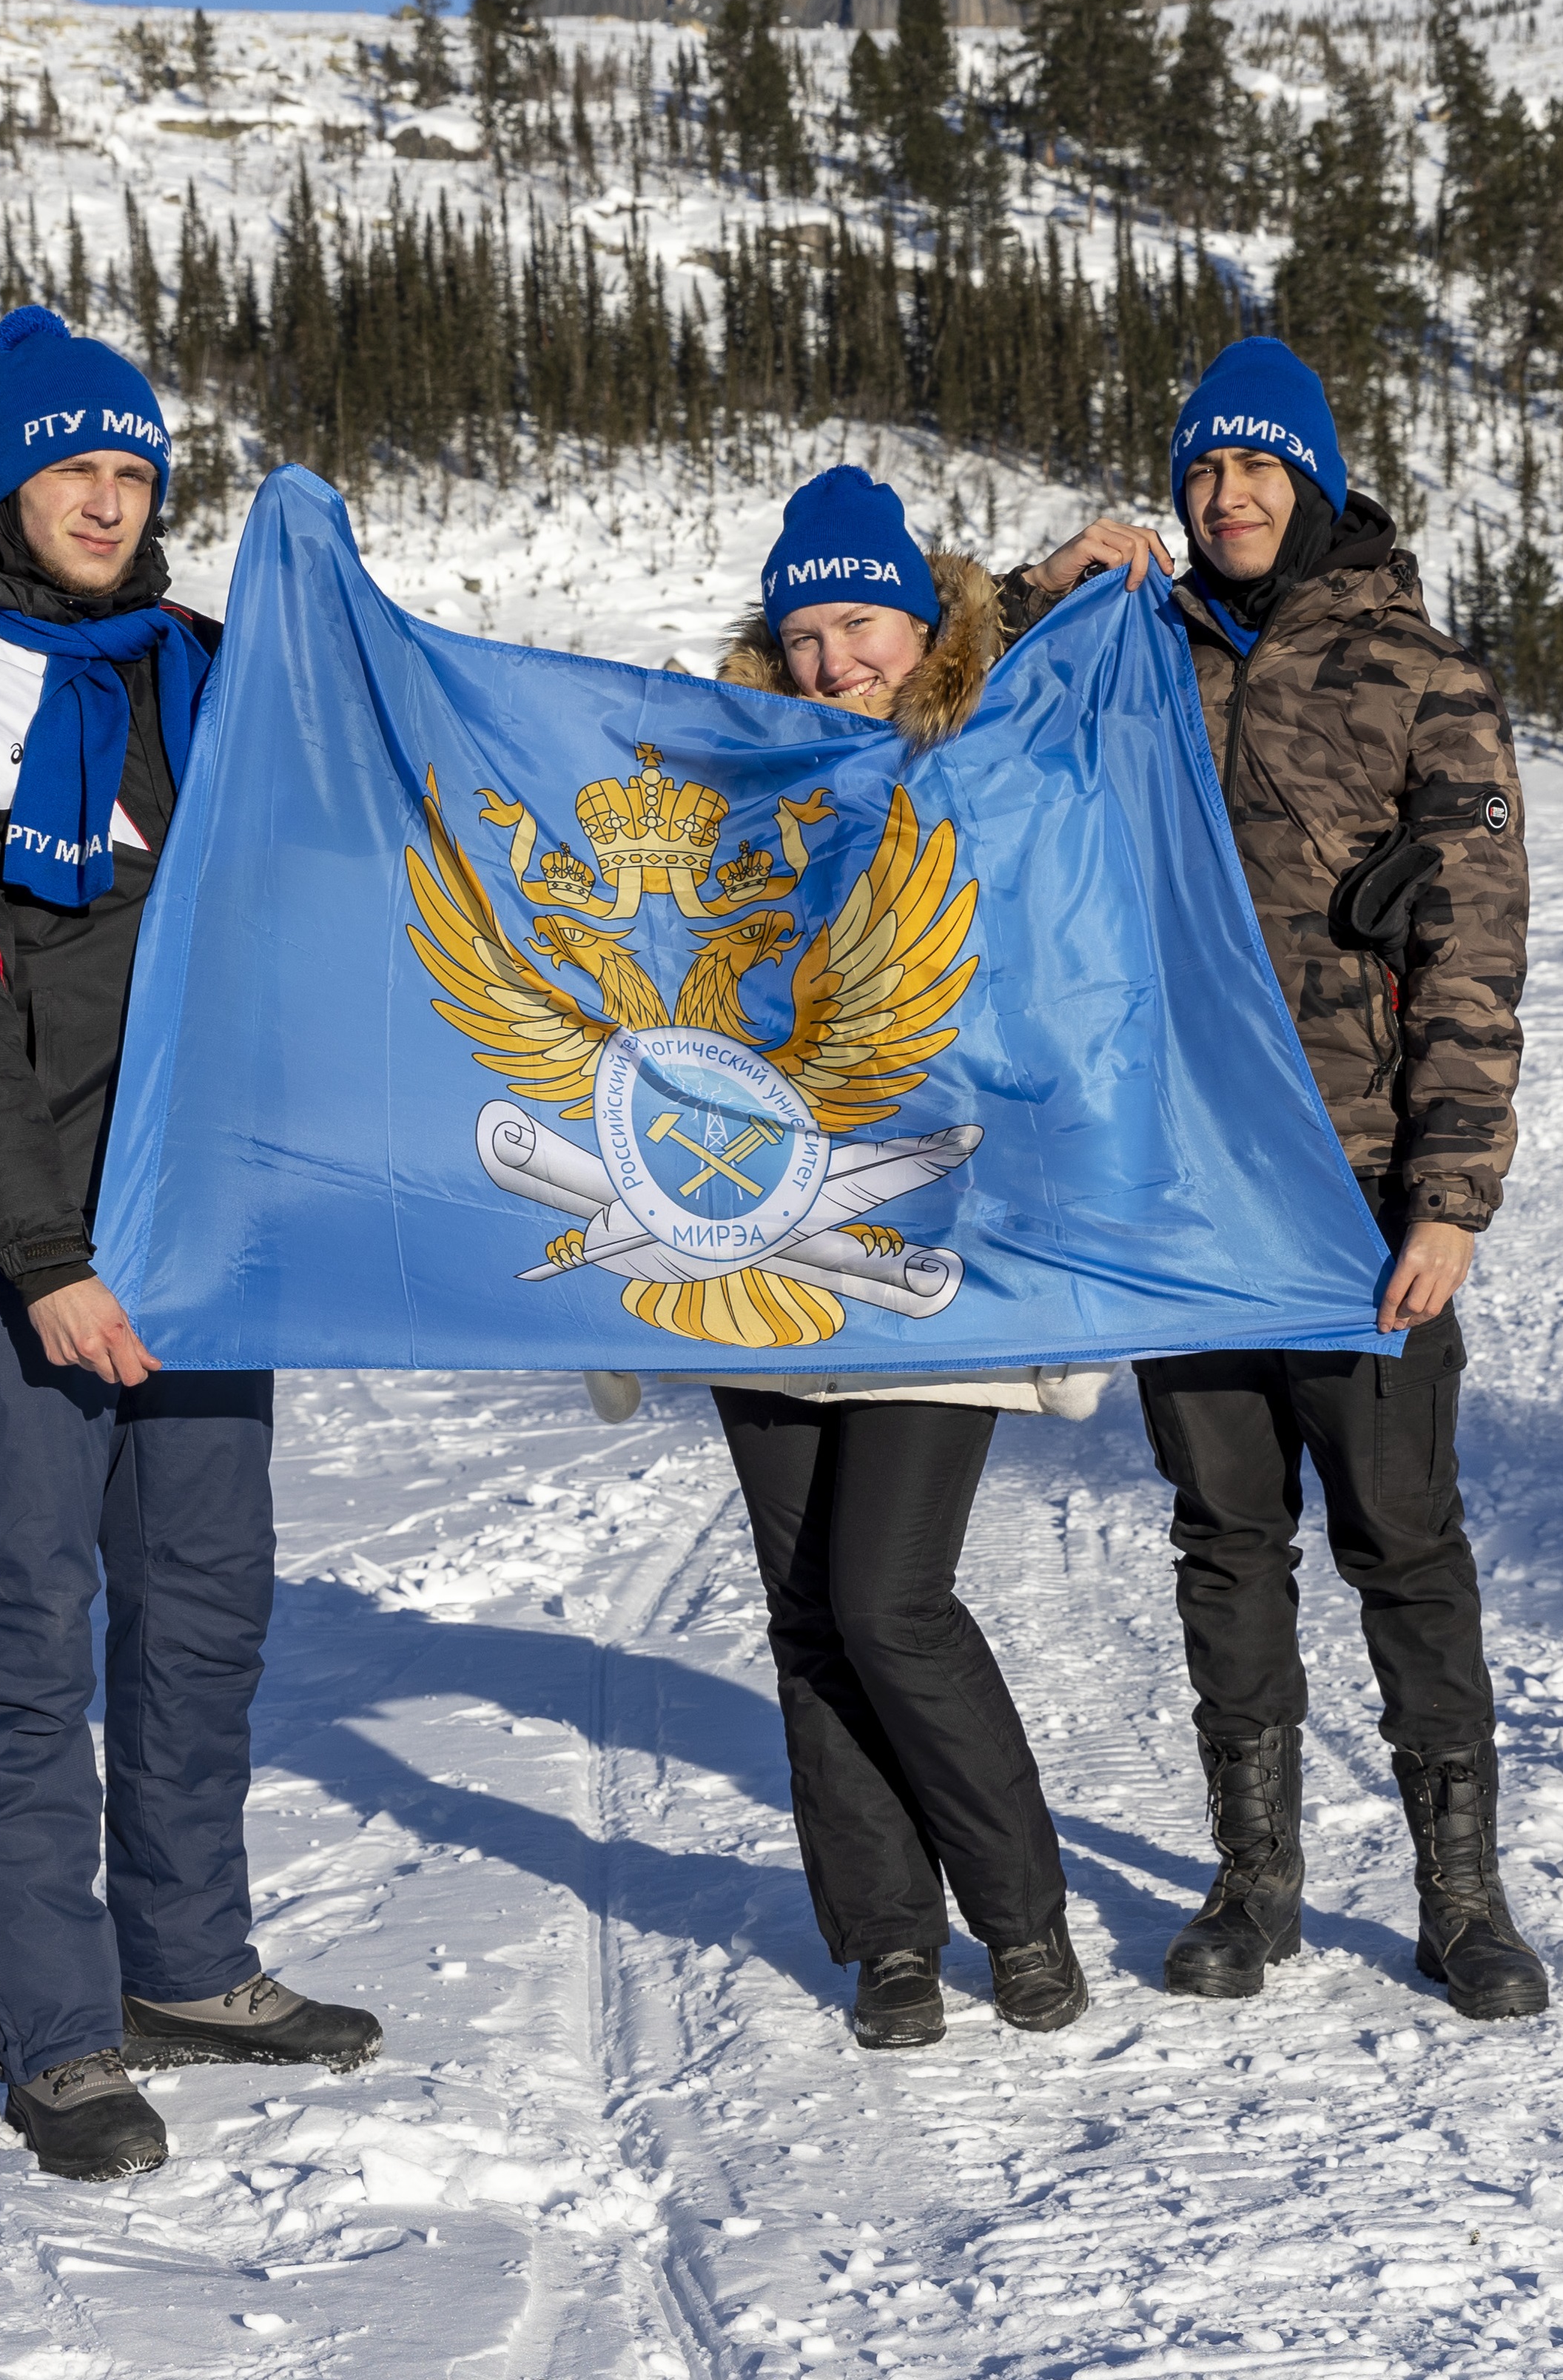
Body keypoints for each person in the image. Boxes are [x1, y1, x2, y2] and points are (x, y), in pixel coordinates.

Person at [0, 308, 381, 2182]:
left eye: (133, 474)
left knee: (207, 1617)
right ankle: (59, 2035)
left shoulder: (210, 673)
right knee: (18, 1636)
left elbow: (401, 800)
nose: (105, 499)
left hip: (207, 1237)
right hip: (17, 1264)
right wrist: (44, 1257)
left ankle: (188, 1967)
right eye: (73, 466)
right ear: (3, 481)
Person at [1005, 339, 1549, 2023]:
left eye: (1256, 472)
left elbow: (1475, 943)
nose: (1226, 498)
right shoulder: (1122, 656)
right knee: (1223, 1539)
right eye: (1199, 474)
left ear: (1308, 483)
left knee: (1401, 1539)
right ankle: (1252, 1882)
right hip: (1180, 1187)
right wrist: (1038, 590)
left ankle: (1460, 1897)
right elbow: (943, 727)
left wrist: (1448, 1198)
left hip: (1357, 1184)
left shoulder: (1417, 673)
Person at [594, 465, 1103, 2053]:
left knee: (887, 1597)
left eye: (861, 624)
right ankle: (886, 1940)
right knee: (807, 1611)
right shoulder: (736, 781)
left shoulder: (996, 754)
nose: (833, 663)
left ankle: (1019, 1915)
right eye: (804, 633)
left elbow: (1068, 962)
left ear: (921, 621)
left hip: (929, 1242)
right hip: (753, 1231)